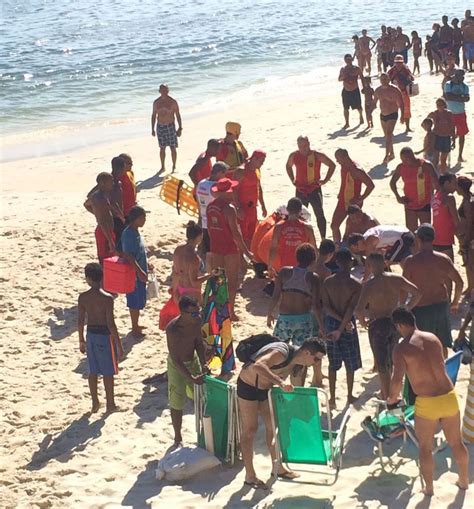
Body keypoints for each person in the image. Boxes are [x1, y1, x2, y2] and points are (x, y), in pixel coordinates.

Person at [387, 307, 469, 496]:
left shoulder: (401, 348)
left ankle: (429, 489)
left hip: (427, 402)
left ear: (399, 325)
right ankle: (463, 481)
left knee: (425, 448)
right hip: (449, 396)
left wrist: (392, 399)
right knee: (456, 443)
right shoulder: (433, 338)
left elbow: (396, 380)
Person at [237, 337, 327, 488]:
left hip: (266, 390)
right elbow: (259, 366)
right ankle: (250, 475)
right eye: (316, 359)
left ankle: (277, 467)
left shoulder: (299, 363)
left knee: (274, 426)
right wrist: (280, 382)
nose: (317, 363)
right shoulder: (282, 352)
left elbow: (296, 388)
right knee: (250, 430)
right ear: (306, 352)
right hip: (248, 386)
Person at [355, 253, 421, 399]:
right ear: (384, 263)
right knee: (391, 358)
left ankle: (387, 396)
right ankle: (391, 392)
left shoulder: (370, 285)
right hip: (394, 322)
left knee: (381, 364)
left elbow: (359, 309)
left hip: (377, 324)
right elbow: (417, 293)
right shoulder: (396, 279)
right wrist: (406, 308)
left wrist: (363, 322)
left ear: (370, 266)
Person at [267, 243, 324, 386]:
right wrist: (322, 326)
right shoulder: (313, 277)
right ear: (313, 259)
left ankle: (274, 383)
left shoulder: (285, 272)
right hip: (303, 320)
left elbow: (275, 295)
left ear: (297, 257)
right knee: (302, 357)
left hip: (284, 319)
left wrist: (270, 313)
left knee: (277, 352)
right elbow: (316, 305)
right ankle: (299, 388)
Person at [403, 224, 463, 358]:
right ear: (433, 238)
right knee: (442, 346)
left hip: (421, 310)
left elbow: (403, 288)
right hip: (441, 307)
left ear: (418, 239)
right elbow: (459, 282)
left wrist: (403, 307)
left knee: (421, 347)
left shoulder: (411, 262)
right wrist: (455, 303)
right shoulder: (443, 259)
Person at [78, 263, 122, 413]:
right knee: (108, 372)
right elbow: (111, 323)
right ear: (102, 277)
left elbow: (80, 321)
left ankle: (95, 402)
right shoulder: (107, 298)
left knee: (93, 371)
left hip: (90, 335)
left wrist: (81, 340)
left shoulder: (83, 297)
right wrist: (119, 343)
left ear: (88, 279)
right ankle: (110, 404)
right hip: (104, 335)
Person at [207, 178, 253, 320]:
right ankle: (230, 312)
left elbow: (209, 228)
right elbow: (236, 234)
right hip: (230, 249)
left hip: (215, 247)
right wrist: (247, 253)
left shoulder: (210, 206)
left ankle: (216, 310)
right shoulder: (229, 208)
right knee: (231, 282)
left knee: (218, 281)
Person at [166, 296, 209, 447]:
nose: (197, 316)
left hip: (193, 360)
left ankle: (205, 432)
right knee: (177, 401)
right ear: (182, 313)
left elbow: (198, 343)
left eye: (198, 312)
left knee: (202, 397)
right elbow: (175, 358)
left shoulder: (196, 322)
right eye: (193, 314)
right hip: (177, 366)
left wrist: (204, 364)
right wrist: (190, 377)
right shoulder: (172, 329)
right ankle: (177, 437)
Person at [322, 249, 362, 408]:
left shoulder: (328, 282)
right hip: (347, 324)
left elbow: (326, 307)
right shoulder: (355, 284)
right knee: (350, 362)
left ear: (337, 262)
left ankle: (332, 398)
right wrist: (343, 325)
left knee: (333, 362)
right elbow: (351, 308)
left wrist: (337, 324)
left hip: (331, 322)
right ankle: (350, 395)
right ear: (351, 262)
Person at [285, 135, 336, 239]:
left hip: (314, 189)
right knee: (300, 215)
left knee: (319, 214)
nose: (303, 148)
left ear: (308, 144)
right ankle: (302, 238)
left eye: (305, 145)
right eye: (300, 146)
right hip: (300, 190)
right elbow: (288, 166)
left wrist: (325, 180)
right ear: (298, 146)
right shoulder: (294, 155)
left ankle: (323, 238)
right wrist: (293, 180)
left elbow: (332, 165)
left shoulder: (316, 155)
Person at [330, 148, 374, 243]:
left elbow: (371, 185)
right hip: (342, 200)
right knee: (334, 225)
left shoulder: (357, 170)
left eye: (338, 159)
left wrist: (360, 199)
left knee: (352, 230)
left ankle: (353, 249)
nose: (337, 161)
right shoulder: (344, 166)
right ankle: (337, 246)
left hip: (354, 204)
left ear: (344, 157)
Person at [390, 147, 439, 231]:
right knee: (411, 233)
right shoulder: (401, 167)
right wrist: (398, 197)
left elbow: (437, 184)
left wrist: (436, 200)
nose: (404, 162)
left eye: (406, 160)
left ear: (412, 156)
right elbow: (392, 182)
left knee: (426, 232)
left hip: (424, 202)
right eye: (402, 160)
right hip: (409, 203)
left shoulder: (426, 165)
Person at [121, 206, 151, 336]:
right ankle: (134, 327)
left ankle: (136, 324)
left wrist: (147, 265)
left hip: (139, 270)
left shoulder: (135, 231)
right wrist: (139, 272)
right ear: (136, 219)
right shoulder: (128, 234)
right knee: (134, 300)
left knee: (138, 298)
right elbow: (129, 256)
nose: (144, 220)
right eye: (142, 218)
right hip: (133, 273)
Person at [268, 197, 317, 276]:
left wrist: (270, 266)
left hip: (285, 268)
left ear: (287, 209)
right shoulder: (307, 228)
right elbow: (313, 249)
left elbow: (273, 248)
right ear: (301, 210)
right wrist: (314, 267)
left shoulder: (278, 227)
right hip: (303, 268)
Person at [172, 221, 214, 304]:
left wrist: (174, 290)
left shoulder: (178, 250)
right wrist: (210, 275)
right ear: (199, 237)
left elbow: (175, 273)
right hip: (192, 294)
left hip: (179, 291)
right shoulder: (194, 258)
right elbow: (194, 282)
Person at [233, 150, 268, 248]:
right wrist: (238, 208)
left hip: (253, 208)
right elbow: (234, 191)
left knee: (252, 235)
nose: (262, 164)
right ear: (254, 159)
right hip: (243, 208)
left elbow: (258, 187)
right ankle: (241, 259)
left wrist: (263, 205)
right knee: (242, 236)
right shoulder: (241, 171)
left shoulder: (256, 170)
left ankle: (249, 258)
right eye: (261, 161)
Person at [195, 162, 228, 264]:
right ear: (219, 173)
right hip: (214, 222)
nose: (224, 177)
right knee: (214, 251)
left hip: (203, 220)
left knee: (206, 249)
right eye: (224, 174)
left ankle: (206, 267)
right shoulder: (214, 187)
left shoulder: (201, 183)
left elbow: (198, 203)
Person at [348, 224, 414, 267]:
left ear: (359, 241)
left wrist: (365, 280)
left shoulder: (369, 242)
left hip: (403, 237)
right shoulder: (366, 237)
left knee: (387, 262)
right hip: (401, 235)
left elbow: (369, 264)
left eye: (357, 248)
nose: (359, 250)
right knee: (402, 262)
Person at [373, 72, 404, 163]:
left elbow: (401, 103)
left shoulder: (394, 90)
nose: (383, 81)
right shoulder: (378, 90)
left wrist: (402, 115)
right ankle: (392, 153)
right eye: (382, 79)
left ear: (389, 79)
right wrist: (369, 109)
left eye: (385, 79)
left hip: (393, 114)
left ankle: (386, 155)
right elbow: (374, 102)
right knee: (387, 136)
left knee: (389, 134)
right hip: (383, 114)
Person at [151, 84, 182, 174]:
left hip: (170, 126)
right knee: (162, 148)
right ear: (159, 91)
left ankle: (174, 166)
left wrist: (180, 128)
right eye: (162, 90)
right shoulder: (156, 102)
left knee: (173, 147)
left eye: (165, 90)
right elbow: (153, 115)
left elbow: (178, 115)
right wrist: (152, 129)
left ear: (168, 91)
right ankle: (162, 167)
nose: (164, 92)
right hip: (160, 126)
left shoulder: (173, 102)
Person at [88, 172, 116, 263]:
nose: (113, 183)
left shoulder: (104, 194)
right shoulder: (98, 198)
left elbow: (86, 204)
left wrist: (95, 212)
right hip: (104, 231)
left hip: (108, 230)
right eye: (110, 181)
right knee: (104, 257)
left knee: (110, 255)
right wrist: (110, 240)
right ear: (103, 183)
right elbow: (102, 221)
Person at [432, 174, 460, 262]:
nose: (456, 187)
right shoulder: (449, 198)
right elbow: (457, 221)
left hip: (435, 238)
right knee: (449, 270)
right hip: (446, 239)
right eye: (454, 183)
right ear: (447, 183)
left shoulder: (436, 195)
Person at [444, 69, 470, 163]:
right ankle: (446, 155)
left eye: (461, 76)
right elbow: (448, 96)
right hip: (449, 113)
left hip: (460, 113)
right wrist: (460, 98)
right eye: (458, 75)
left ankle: (460, 155)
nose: (460, 78)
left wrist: (455, 97)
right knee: (447, 134)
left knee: (462, 134)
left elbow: (467, 98)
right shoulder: (448, 84)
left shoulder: (465, 86)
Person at [428, 97, 455, 174]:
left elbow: (452, 127)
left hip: (446, 137)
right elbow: (425, 123)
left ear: (444, 105)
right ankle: (433, 173)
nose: (439, 106)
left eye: (441, 105)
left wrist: (453, 139)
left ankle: (442, 174)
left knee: (443, 159)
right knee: (435, 158)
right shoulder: (435, 113)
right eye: (438, 105)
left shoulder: (449, 113)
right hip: (437, 137)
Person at [457, 176, 474, 294]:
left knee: (469, 264)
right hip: (466, 235)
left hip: (468, 237)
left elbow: (469, 223)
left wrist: (466, 240)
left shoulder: (468, 202)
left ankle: (470, 288)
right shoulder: (468, 198)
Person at [388, 54, 414, 133]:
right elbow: (386, 79)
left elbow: (412, 78)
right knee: (392, 111)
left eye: (400, 62)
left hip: (404, 91)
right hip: (394, 93)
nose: (399, 64)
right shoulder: (392, 70)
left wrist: (408, 76)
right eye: (397, 62)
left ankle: (407, 127)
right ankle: (391, 128)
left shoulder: (406, 69)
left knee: (407, 110)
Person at [339, 54, 364, 129]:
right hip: (346, 90)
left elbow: (362, 78)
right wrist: (343, 76)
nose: (348, 61)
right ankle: (347, 123)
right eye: (347, 59)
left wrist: (364, 88)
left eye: (350, 59)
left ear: (352, 60)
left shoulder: (356, 69)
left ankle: (361, 116)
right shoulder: (343, 69)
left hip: (355, 89)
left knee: (359, 106)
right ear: (345, 60)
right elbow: (339, 79)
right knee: (345, 108)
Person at [118, 153, 137, 220]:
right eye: (129, 163)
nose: (131, 165)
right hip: (122, 214)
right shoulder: (116, 178)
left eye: (131, 162)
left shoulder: (130, 173)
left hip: (132, 210)